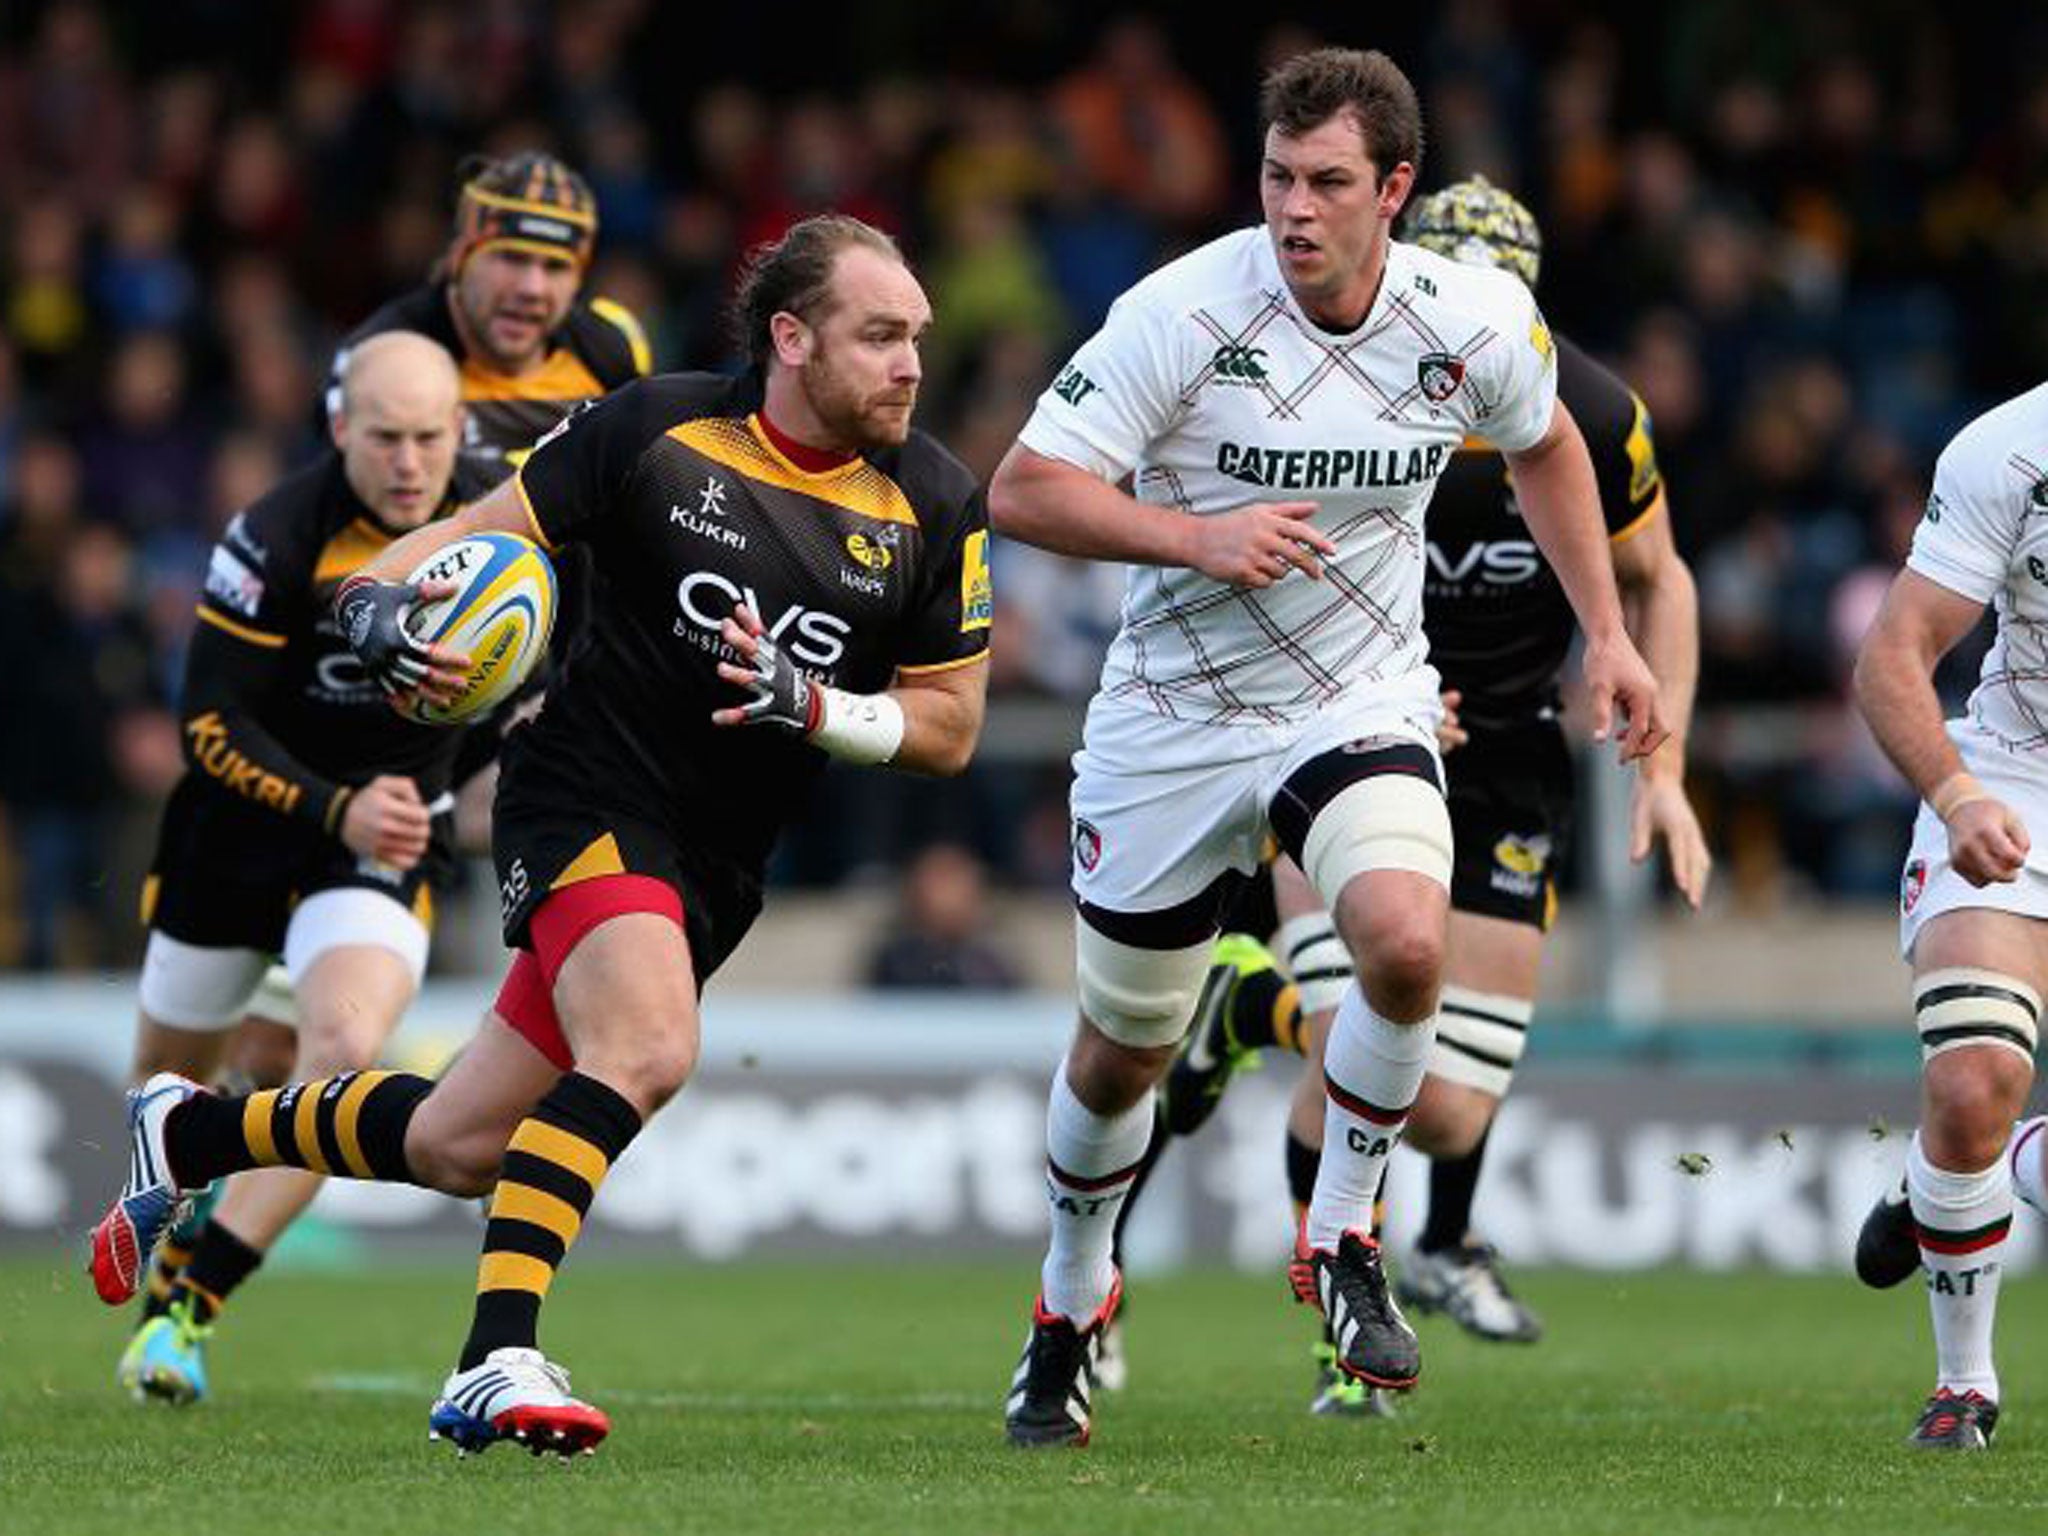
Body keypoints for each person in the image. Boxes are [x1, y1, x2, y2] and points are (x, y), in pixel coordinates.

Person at [89, 215, 992, 1458]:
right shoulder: (654, 430)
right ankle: (491, 1357)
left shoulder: (934, 501)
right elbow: (462, 541)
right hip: (586, 794)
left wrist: (817, 708)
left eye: (917, 339)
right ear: (790, 338)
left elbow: (950, 727)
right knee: (650, 1045)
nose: (910, 365)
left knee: (460, 1141)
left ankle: (185, 1131)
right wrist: (370, 609)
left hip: (721, 859)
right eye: (881, 335)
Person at [992, 49, 1663, 1451]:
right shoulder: (1180, 311)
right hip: (1170, 724)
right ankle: (1066, 1301)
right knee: (1123, 1054)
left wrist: (1607, 633)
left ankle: (1347, 1239)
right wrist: (1196, 536)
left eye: (1330, 185)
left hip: (1356, 699)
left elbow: (1548, 447)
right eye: (1278, 179)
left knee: (1407, 945)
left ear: (1395, 191)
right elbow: (1023, 489)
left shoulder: (1466, 319)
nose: (1295, 211)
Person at [1111, 177, 1711, 1416]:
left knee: (1441, 1110)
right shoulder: (1310, 379)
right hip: (1334, 725)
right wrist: (1374, 691)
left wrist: (1665, 768)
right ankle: (1345, 1335)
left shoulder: (1586, 412)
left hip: (1502, 762)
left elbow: (1660, 580)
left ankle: (1245, 1012)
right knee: (1352, 1041)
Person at [112, 333, 489, 1404]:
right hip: (232, 836)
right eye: (385, 437)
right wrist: (336, 803)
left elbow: (532, 689)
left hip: (375, 848)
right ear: (338, 428)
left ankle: (188, 1306)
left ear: (457, 429)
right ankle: (191, 1173)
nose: (411, 461)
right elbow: (205, 725)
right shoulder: (273, 534)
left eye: (430, 436)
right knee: (166, 1095)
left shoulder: (496, 531)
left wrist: (442, 795)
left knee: (338, 1055)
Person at [1846, 379, 2048, 1449]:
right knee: (1971, 1082)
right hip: (2016, 784)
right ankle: (1961, 1383)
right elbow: (1889, 655)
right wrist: (1953, 794)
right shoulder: (2010, 449)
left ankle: (1956, 1176)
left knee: (1973, 1133)